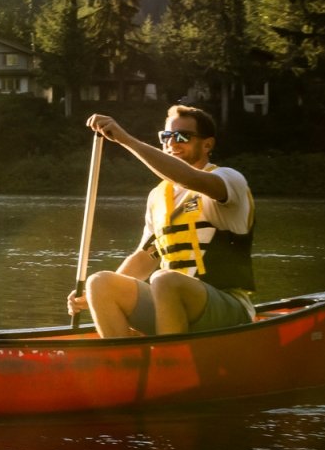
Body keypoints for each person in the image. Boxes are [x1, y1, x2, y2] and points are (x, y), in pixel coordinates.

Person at [68, 105, 256, 338]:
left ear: (207, 144)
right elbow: (145, 257)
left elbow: (188, 178)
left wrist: (125, 140)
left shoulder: (228, 178)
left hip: (227, 307)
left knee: (165, 279)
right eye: (166, 136)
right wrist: (90, 297)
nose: (172, 143)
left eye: (183, 136)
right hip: (170, 301)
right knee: (100, 283)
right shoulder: (158, 196)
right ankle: (124, 365)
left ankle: (169, 363)